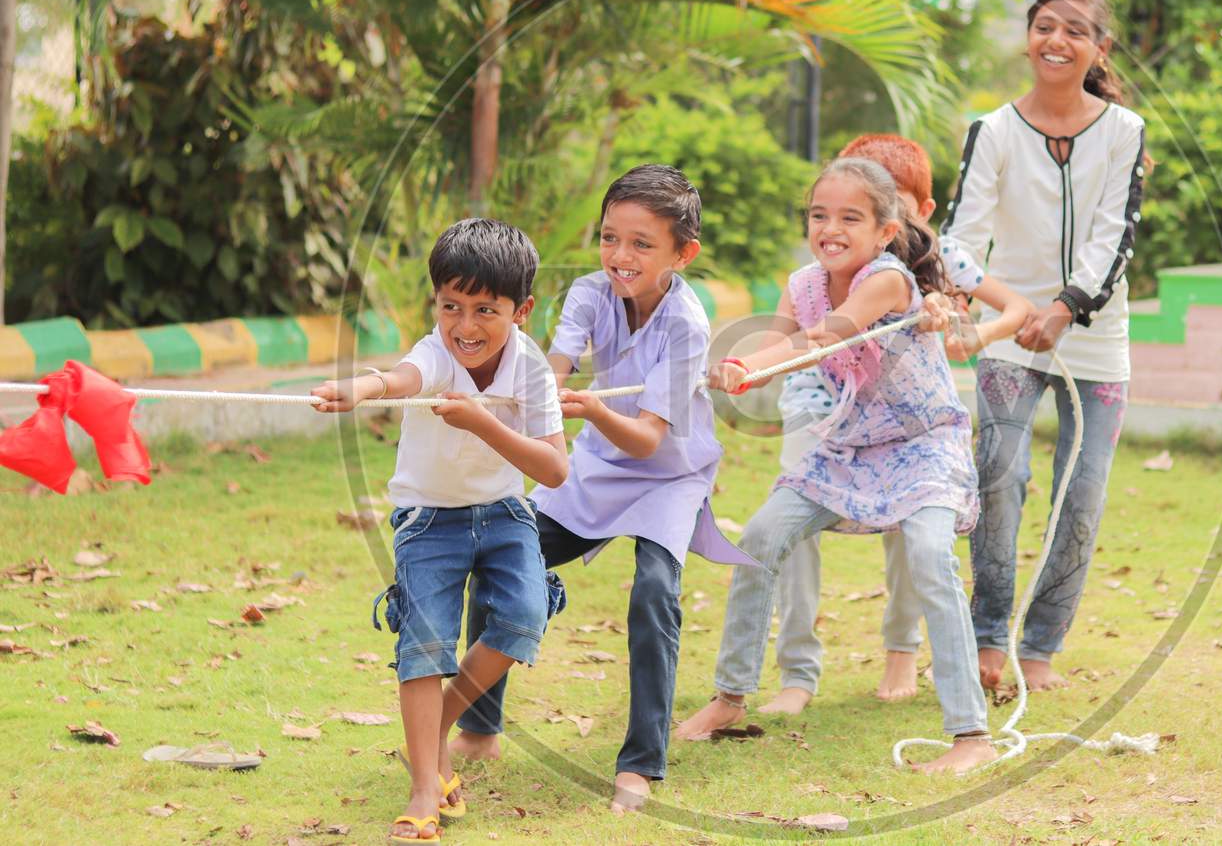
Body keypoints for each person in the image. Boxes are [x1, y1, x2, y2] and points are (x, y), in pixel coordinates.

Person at [676, 157, 997, 774]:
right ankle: (730, 697)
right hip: (850, 445)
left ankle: (971, 735)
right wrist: (740, 368)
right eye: (820, 215)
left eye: (851, 217)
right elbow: (780, 343)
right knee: (763, 536)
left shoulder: (889, 279)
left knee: (930, 554)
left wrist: (757, 364)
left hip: (924, 443)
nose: (831, 227)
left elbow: (827, 335)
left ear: (884, 230)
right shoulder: (802, 284)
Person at [448, 164, 752, 813]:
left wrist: (586, 410)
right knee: (500, 554)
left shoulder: (687, 325)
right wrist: (534, 395)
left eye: (642, 244)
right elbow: (551, 367)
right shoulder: (590, 291)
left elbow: (646, 439)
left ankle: (640, 765)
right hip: (599, 465)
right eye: (611, 237)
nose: (621, 256)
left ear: (682, 253)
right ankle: (478, 728)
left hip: (668, 471)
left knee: (654, 595)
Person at [312, 217, 569, 843]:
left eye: (486, 309)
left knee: (523, 619)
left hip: (505, 513)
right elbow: (403, 377)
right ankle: (426, 786)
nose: (465, 326)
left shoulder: (530, 368)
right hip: (429, 519)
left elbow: (555, 468)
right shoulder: (434, 351)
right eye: (451, 306)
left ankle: (435, 729)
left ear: (522, 310)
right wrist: (364, 388)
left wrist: (483, 424)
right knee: (424, 644)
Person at [764, 135, 1030, 715]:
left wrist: (969, 334)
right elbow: (802, 331)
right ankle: (797, 672)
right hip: (820, 404)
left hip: (907, 419)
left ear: (913, 212)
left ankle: (900, 652)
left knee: (913, 535)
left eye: (891, 197)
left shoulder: (938, 257)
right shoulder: (822, 269)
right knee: (788, 527)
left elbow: (1011, 309)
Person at [942, 0, 1148, 692]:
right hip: (1007, 333)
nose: (1057, 41)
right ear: (1028, 34)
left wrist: (1063, 308)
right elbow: (957, 246)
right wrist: (1014, 306)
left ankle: (1041, 649)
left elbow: (1115, 241)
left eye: (1075, 30)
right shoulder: (994, 131)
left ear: (1099, 47)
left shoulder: (1125, 133)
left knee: (1081, 493)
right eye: (1045, 26)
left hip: (1095, 339)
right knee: (1001, 475)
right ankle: (987, 639)